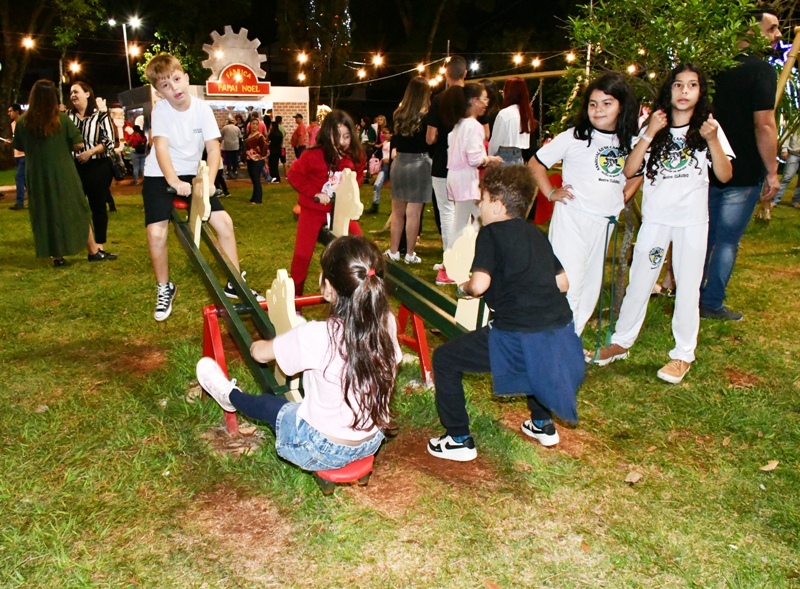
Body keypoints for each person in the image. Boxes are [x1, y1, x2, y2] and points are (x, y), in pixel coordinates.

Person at [196, 235, 402, 471]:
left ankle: (228, 396)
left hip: (322, 448)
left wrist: (283, 339)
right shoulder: (386, 322)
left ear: (329, 289)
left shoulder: (316, 334)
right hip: (372, 440)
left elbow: (259, 354)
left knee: (267, 405)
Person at [427, 165, 585, 461]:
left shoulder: (491, 234)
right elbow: (563, 284)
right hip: (558, 326)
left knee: (445, 359)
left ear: (497, 205)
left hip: (515, 331)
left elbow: (480, 284)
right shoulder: (536, 235)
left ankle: (458, 438)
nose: (480, 205)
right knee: (534, 358)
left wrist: (464, 287)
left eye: (482, 199)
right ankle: (542, 423)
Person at [593, 64, 734, 384]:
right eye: (678, 85)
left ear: (700, 92)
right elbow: (629, 171)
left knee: (686, 287)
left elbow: (725, 176)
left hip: (691, 223)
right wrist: (649, 133)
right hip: (656, 221)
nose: (684, 92)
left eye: (692, 85)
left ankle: (683, 354)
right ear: (668, 90)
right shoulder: (652, 124)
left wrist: (712, 141)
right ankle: (621, 341)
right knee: (640, 280)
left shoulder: (708, 128)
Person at [141, 52, 262, 322]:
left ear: (185, 77)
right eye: (165, 86)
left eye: (176, 80)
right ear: (159, 93)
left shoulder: (202, 109)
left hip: (194, 173)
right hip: (160, 175)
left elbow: (213, 148)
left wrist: (208, 182)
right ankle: (164, 287)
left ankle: (234, 282)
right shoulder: (161, 111)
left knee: (224, 223)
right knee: (157, 233)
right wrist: (172, 181)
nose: (174, 89)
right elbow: (160, 148)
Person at [529, 72, 639, 338]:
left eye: (606, 103)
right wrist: (551, 192)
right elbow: (535, 164)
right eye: (592, 103)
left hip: (603, 225)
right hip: (572, 221)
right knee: (569, 282)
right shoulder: (574, 137)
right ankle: (555, 340)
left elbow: (636, 174)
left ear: (621, 106)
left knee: (591, 286)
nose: (598, 109)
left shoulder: (629, 141)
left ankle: (571, 339)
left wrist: (619, 199)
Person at [700, 9, 781, 321]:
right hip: (744, 170)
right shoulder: (761, 71)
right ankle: (711, 301)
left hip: (706, 166)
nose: (777, 36)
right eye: (772, 29)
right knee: (726, 240)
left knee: (702, 234)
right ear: (750, 31)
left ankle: (687, 293)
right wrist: (772, 171)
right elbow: (764, 125)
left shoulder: (710, 69)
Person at [12, 79, 104, 266]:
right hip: (63, 171)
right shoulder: (61, 119)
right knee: (77, 208)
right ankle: (93, 250)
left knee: (45, 212)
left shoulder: (22, 122)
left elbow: (20, 146)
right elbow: (78, 143)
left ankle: (56, 256)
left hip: (36, 174)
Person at [287, 110, 365, 296]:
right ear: (326, 134)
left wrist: (347, 193)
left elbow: (358, 175)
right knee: (302, 254)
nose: (342, 142)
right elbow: (293, 175)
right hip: (313, 210)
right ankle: (296, 298)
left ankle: (358, 291)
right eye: (336, 136)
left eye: (346, 136)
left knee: (359, 246)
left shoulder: (354, 155)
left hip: (339, 212)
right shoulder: (312, 155)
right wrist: (314, 193)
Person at [444, 82, 503, 274]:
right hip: (466, 180)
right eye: (484, 99)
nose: (486, 104)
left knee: (465, 222)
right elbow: (475, 158)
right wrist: (490, 159)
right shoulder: (474, 126)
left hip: (456, 177)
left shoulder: (458, 125)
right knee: (474, 222)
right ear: (474, 100)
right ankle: (459, 261)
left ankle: (456, 260)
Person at [427, 55, 468, 285]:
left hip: (443, 161)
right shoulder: (472, 98)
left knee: (446, 213)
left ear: (446, 74)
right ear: (464, 74)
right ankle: (455, 260)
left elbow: (430, 137)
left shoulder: (438, 100)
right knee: (463, 214)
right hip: (466, 163)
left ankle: (450, 262)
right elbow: (486, 133)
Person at [384, 76, 432, 264]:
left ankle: (394, 250)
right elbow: (429, 142)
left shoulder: (398, 113)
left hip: (400, 163)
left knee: (397, 212)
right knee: (414, 213)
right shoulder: (427, 115)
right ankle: (410, 253)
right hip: (420, 164)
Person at [68, 82, 118, 261]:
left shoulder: (100, 116)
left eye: (76, 91)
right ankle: (85, 244)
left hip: (98, 166)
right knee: (76, 207)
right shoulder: (67, 117)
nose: (73, 95)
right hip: (74, 167)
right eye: (71, 92)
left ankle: (99, 247)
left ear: (87, 94)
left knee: (98, 207)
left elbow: (110, 142)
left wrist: (91, 152)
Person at [489, 77, 537, 165]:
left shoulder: (504, 114)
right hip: (519, 158)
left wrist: (490, 157)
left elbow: (495, 142)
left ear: (509, 93)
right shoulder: (526, 114)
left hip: (503, 158)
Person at [772, 127, 800, 209]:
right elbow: (787, 135)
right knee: (786, 177)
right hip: (793, 153)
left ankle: (796, 200)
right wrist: (784, 149)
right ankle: (775, 200)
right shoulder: (796, 121)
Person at [368, 126, 393, 215]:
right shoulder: (385, 143)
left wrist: (390, 160)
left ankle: (394, 210)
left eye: (386, 133)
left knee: (393, 189)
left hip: (392, 167)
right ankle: (375, 205)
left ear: (391, 133)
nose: (384, 135)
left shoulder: (394, 144)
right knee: (376, 185)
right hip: (384, 166)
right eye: (383, 133)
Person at [244, 119, 268, 204]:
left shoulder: (259, 136)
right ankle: (254, 197)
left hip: (257, 161)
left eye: (256, 124)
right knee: (253, 179)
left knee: (256, 179)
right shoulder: (249, 135)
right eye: (253, 124)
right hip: (250, 159)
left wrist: (260, 155)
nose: (254, 126)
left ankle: (258, 199)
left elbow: (265, 147)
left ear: (258, 126)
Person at [7, 104, 26, 211]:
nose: (9, 113)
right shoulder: (13, 124)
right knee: (26, 180)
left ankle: (20, 203)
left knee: (19, 177)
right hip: (17, 155)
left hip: (24, 154)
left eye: (11, 111)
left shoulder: (23, 122)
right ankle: (36, 201)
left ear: (17, 111)